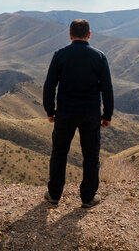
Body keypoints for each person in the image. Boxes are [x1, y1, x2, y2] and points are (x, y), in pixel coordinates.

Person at [43, 19, 114, 208]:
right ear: (89, 35)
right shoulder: (99, 57)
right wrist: (107, 115)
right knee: (91, 156)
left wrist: (50, 111)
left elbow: (49, 86)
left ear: (70, 35)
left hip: (65, 113)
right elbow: (107, 89)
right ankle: (88, 197)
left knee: (59, 152)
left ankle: (54, 194)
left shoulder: (60, 55)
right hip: (90, 114)